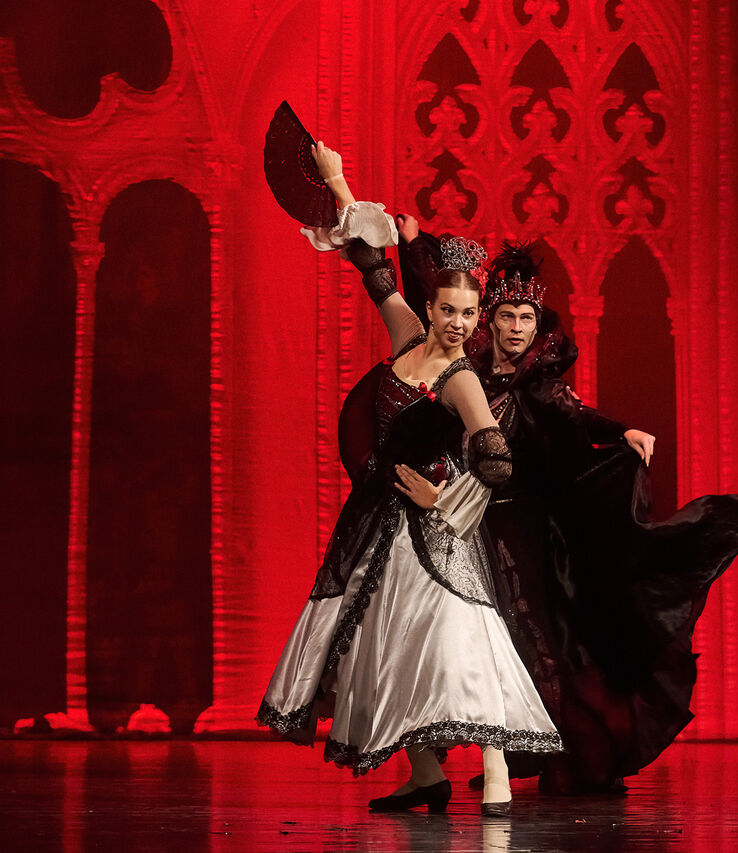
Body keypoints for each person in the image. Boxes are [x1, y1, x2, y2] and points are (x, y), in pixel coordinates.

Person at [394, 225, 738, 793]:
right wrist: (413, 247)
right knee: (462, 634)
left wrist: (623, 431)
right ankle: (486, 754)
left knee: (529, 638)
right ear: (491, 320)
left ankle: (550, 753)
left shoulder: (540, 383)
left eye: (527, 319)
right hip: (465, 517)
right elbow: (433, 301)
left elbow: (576, 415)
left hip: (522, 527)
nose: (517, 328)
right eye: (508, 317)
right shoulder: (466, 369)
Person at [256, 143, 560, 816]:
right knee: (381, 643)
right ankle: (426, 774)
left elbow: (497, 459)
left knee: (460, 640)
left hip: (440, 532)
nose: (458, 324)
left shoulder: (460, 378)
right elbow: (373, 265)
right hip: (384, 526)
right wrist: (337, 179)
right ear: (433, 308)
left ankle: (496, 766)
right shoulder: (407, 338)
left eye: (468, 316)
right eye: (449, 311)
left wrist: (445, 499)